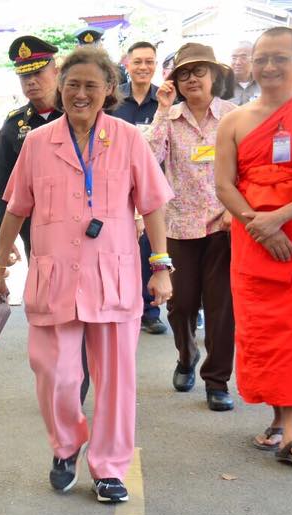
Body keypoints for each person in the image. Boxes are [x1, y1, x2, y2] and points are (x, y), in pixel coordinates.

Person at [0, 46, 174, 504]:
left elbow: (152, 205)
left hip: (113, 277)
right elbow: (16, 209)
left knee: (115, 382)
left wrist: (161, 266)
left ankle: (109, 468)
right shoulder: (36, 142)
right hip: (55, 279)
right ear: (60, 88)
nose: (80, 94)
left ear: (109, 89)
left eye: (91, 85)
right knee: (55, 375)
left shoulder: (128, 138)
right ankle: (66, 446)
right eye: (72, 85)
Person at [214, 26, 292, 461]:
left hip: (288, 230)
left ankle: (291, 428)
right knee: (265, 330)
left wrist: (280, 217)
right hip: (254, 238)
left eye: (280, 58)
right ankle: (282, 419)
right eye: (262, 58)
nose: (269, 66)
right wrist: (260, 225)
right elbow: (224, 184)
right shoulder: (235, 120)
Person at [148, 43, 237, 411]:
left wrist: (236, 209)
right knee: (180, 304)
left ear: (215, 75)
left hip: (223, 225)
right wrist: (161, 109)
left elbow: (247, 165)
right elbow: (149, 161)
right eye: (183, 73)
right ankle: (186, 356)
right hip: (179, 226)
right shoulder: (169, 118)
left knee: (221, 309)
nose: (191, 79)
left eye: (199, 71)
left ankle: (217, 381)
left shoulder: (233, 115)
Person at [113, 40, 168, 336]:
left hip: (151, 187)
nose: (143, 67)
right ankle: (121, 305)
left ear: (155, 65)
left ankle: (150, 311)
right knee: (119, 247)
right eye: (138, 62)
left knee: (150, 246)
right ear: (128, 64)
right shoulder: (112, 99)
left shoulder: (164, 99)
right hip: (117, 186)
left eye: (149, 62)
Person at [0, 35, 62, 258]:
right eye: (24, 76)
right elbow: (1, 186)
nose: (31, 81)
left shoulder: (78, 115)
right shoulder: (14, 125)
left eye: (38, 73)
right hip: (35, 223)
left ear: (56, 72)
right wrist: (3, 236)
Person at [230, 41, 260, 106]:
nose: (237, 62)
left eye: (243, 58)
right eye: (234, 58)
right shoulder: (220, 86)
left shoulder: (264, 85)